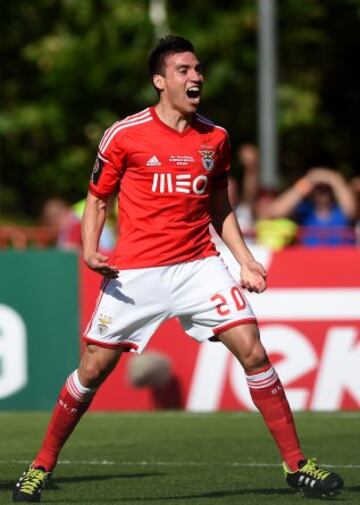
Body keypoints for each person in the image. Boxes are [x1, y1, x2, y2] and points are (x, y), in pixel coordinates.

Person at [13, 35, 344, 502]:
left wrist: (245, 259)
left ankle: (297, 465)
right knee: (92, 370)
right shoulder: (124, 134)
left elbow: (219, 206)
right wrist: (90, 249)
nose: (196, 78)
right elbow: (96, 197)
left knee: (252, 350)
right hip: (136, 273)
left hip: (198, 266)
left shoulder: (216, 137)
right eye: (184, 71)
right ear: (159, 80)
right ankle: (41, 466)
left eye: (198, 70)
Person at [266, 167, 357, 246]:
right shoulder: (304, 211)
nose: (322, 193)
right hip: (308, 263)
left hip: (341, 262)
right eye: (318, 188)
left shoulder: (342, 212)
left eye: (327, 189)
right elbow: (274, 212)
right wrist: (307, 181)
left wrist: (334, 180)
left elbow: (352, 209)